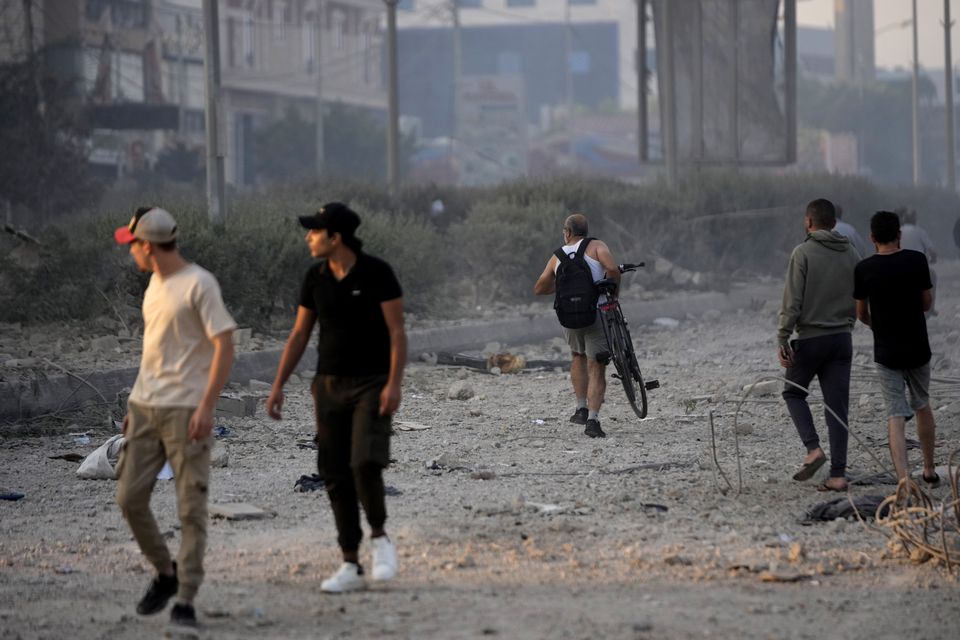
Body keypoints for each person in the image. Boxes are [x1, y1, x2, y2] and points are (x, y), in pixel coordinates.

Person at [267, 202, 406, 593]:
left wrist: (394, 383)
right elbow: (299, 335)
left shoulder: (377, 273)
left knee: (365, 461)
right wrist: (278, 385)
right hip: (327, 386)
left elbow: (397, 333)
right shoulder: (315, 277)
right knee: (334, 471)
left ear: (336, 237)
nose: (308, 237)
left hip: (371, 383)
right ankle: (349, 562)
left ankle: (379, 538)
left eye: (315, 231)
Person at [113, 207, 236, 630]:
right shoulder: (153, 285)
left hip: (186, 410)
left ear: (147, 246)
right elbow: (153, 351)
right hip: (146, 408)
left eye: (133, 247)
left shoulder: (199, 284)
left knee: (190, 508)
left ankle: (185, 599)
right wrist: (133, 405)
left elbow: (225, 345)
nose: (131, 254)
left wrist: (206, 406)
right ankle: (166, 574)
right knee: (129, 497)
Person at [777, 198, 859, 492]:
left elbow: (792, 301)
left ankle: (813, 449)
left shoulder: (803, 252)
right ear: (834, 223)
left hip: (811, 338)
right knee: (837, 407)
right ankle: (838, 475)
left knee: (793, 393)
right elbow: (859, 293)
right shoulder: (851, 251)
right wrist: (850, 322)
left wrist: (783, 337)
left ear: (808, 222)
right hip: (842, 339)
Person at [854, 211, 938, 485]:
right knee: (923, 404)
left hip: (886, 350)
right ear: (899, 235)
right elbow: (927, 303)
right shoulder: (916, 261)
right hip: (917, 346)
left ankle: (903, 478)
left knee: (895, 412)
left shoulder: (864, 269)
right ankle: (928, 468)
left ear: (872, 238)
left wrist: (878, 326)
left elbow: (861, 314)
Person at [534, 213, 619, 438]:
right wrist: (613, 294)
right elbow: (612, 269)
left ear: (568, 232)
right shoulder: (597, 246)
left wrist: (562, 288)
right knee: (597, 365)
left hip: (569, 317)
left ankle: (580, 408)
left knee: (577, 356)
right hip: (597, 314)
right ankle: (593, 421)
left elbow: (539, 288)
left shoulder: (557, 256)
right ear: (585, 231)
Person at [899, 208, 937, 316]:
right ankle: (930, 308)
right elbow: (932, 251)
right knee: (933, 277)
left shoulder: (897, 231)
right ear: (915, 219)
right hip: (918, 268)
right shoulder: (920, 231)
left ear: (903, 219)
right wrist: (933, 259)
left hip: (898, 267)